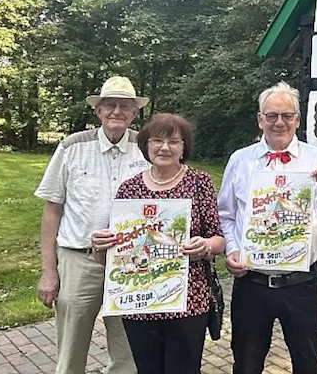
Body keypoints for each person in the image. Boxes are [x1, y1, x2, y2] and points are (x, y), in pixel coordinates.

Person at [218, 81, 317, 374]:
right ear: (260, 119)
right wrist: (233, 249)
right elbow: (225, 215)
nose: (280, 122)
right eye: (272, 115)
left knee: (309, 362)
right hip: (252, 283)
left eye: (287, 115)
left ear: (298, 120)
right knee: (247, 364)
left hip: (302, 283)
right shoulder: (240, 161)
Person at [90, 113, 226, 374]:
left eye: (174, 141)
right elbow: (116, 250)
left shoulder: (200, 183)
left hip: (189, 301)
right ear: (146, 145)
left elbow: (218, 238)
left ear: (184, 147)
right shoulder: (129, 189)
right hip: (139, 303)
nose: (165, 147)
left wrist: (206, 246)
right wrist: (101, 243)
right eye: (157, 140)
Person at [35, 76, 150, 374]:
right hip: (79, 260)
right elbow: (52, 211)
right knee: (71, 350)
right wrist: (49, 272)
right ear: (97, 110)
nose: (117, 112)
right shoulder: (72, 147)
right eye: (109, 105)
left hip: (131, 262)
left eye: (125, 106)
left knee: (128, 352)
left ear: (135, 113)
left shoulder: (147, 147)